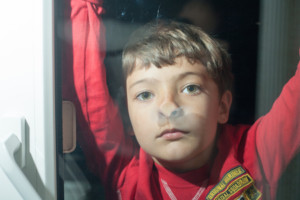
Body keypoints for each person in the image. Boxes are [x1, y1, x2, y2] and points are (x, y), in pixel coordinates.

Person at [66, 17, 300, 200]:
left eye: (190, 88)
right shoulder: (124, 174)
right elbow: (87, 87)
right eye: (145, 94)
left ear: (222, 106)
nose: (169, 107)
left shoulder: (253, 154)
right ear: (127, 120)